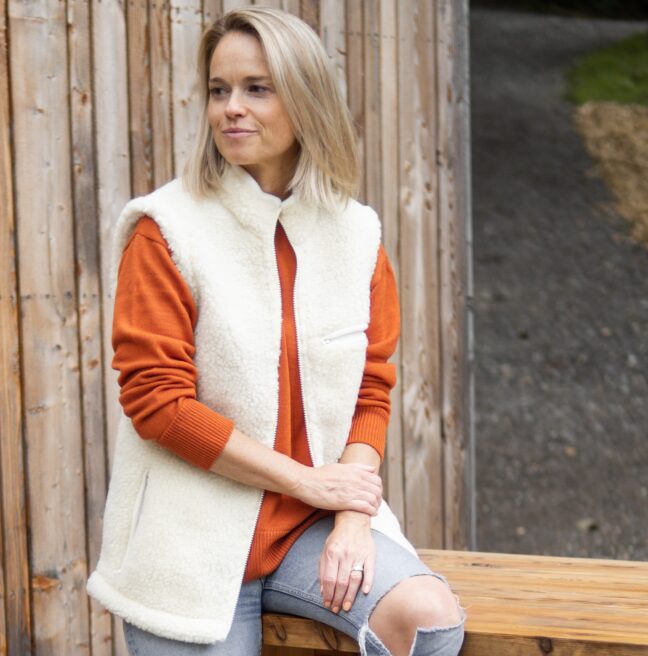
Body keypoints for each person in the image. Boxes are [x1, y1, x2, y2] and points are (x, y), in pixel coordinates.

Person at [86, 7, 465, 655]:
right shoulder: (167, 230)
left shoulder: (355, 235)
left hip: (312, 529)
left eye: (256, 88)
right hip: (192, 542)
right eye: (219, 90)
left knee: (428, 620)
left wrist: (352, 518)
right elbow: (158, 403)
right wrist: (306, 481)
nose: (231, 108)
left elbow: (370, 391)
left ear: (305, 98)